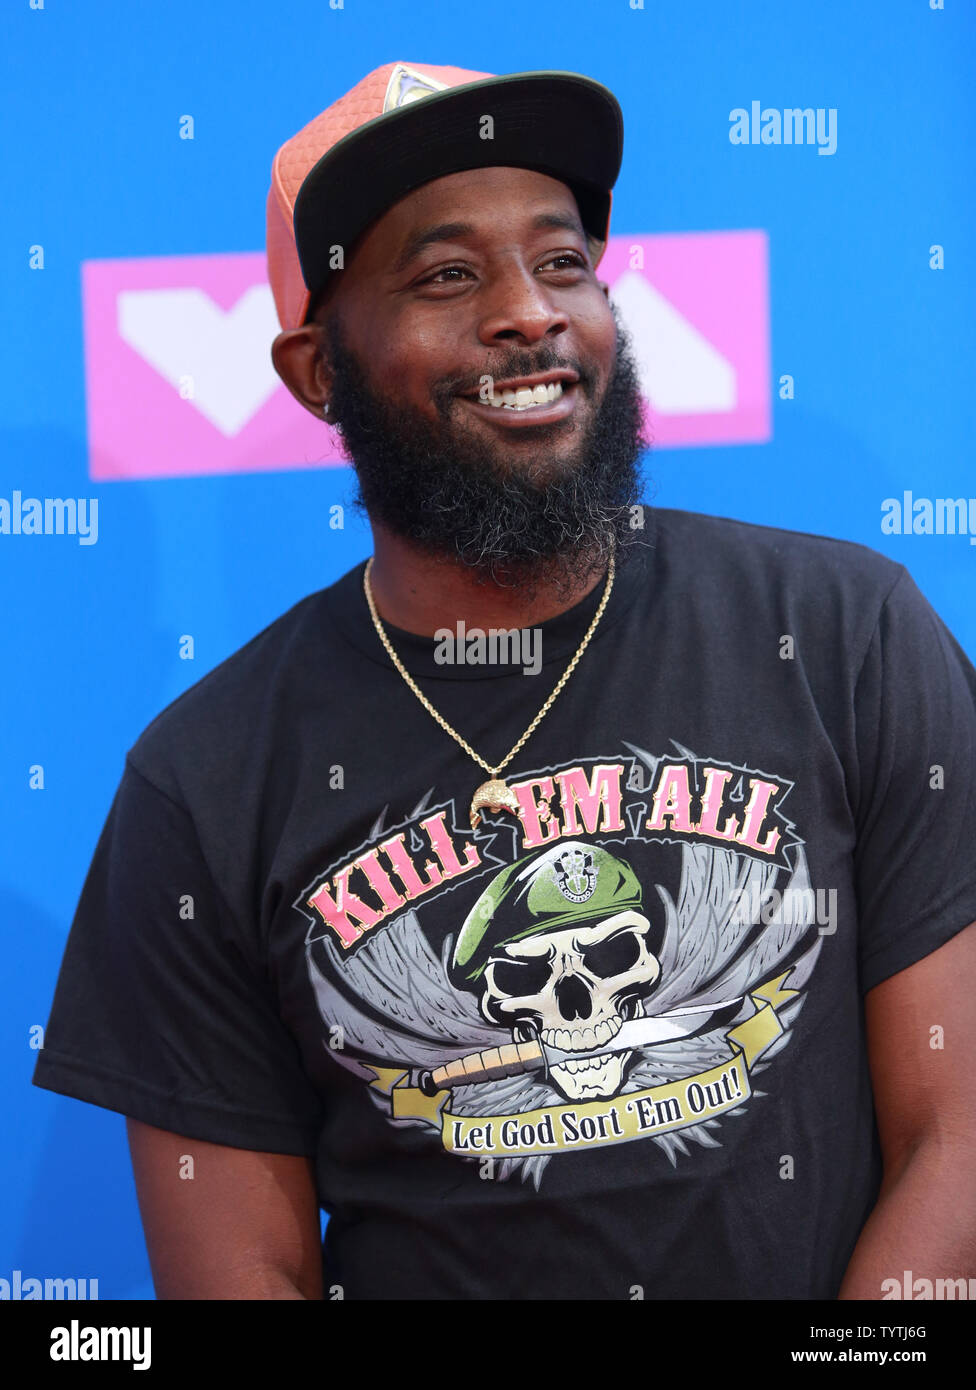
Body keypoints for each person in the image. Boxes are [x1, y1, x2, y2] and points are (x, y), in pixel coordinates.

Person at [33, 61, 976, 1302]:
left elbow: (954, 1137)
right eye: (446, 276)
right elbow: (241, 1272)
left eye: (564, 261)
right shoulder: (204, 779)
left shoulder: (845, 633)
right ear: (318, 368)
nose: (530, 314)